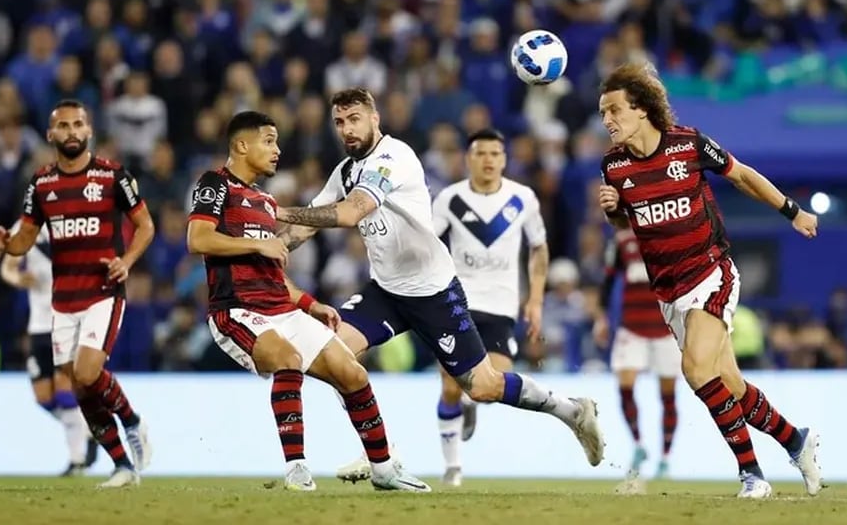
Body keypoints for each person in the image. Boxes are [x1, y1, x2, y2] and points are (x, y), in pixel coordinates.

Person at [272, 88, 604, 483]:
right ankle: (382, 456)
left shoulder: (394, 158)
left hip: (433, 293)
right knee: (333, 353)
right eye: (340, 122)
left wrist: (275, 207)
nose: (347, 129)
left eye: (355, 118)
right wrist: (266, 243)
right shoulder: (345, 170)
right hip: (386, 291)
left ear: (375, 119)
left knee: (483, 387)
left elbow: (350, 212)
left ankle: (571, 410)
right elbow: (307, 223)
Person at [596, 64, 822, 498]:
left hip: (711, 272)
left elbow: (742, 176)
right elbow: (630, 227)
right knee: (729, 385)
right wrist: (612, 212)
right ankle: (796, 439)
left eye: (614, 110)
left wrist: (792, 211)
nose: (607, 120)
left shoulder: (688, 144)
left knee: (695, 369)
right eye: (603, 113)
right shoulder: (614, 168)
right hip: (669, 291)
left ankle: (752, 475)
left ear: (641, 109)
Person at [185, 110, 429, 492]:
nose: (277, 150)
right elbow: (198, 239)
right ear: (241, 145)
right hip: (237, 310)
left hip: (281, 307)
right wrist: (256, 242)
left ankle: (383, 469)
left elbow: (271, 270)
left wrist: (309, 303)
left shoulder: (265, 201)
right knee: (288, 360)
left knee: (352, 374)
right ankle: (297, 468)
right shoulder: (215, 184)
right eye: (269, 140)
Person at [0, 99, 154, 489]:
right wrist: (5, 244)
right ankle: (122, 467)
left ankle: (131, 421)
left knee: (86, 372)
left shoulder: (113, 176)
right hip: (62, 302)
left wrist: (127, 261)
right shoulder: (42, 184)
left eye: (78, 124)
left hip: (103, 292)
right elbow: (24, 240)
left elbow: (145, 226)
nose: (72, 131)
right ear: (51, 134)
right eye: (63, 126)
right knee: (80, 388)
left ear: (89, 130)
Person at [423, 128, 550, 487]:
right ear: (468, 158)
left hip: (500, 307)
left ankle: (470, 406)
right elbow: (429, 243)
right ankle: (453, 469)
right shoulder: (450, 199)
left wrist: (536, 299)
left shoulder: (522, 199)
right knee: (450, 386)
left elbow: (539, 247)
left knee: (493, 388)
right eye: (481, 153)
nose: (489, 160)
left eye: (496, 153)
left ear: (504, 159)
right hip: (456, 303)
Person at [0, 219, 98, 475]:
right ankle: (87, 429)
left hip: (65, 318)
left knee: (65, 393)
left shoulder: (72, 222)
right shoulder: (23, 227)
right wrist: (18, 278)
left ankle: (77, 460)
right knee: (44, 398)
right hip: (37, 325)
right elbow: (7, 268)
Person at [594, 227, 680, 479]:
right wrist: (601, 318)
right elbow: (608, 280)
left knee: (667, 395)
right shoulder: (622, 241)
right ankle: (639, 444)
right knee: (625, 385)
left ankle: (665, 458)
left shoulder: (671, 236)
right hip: (631, 327)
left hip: (665, 330)